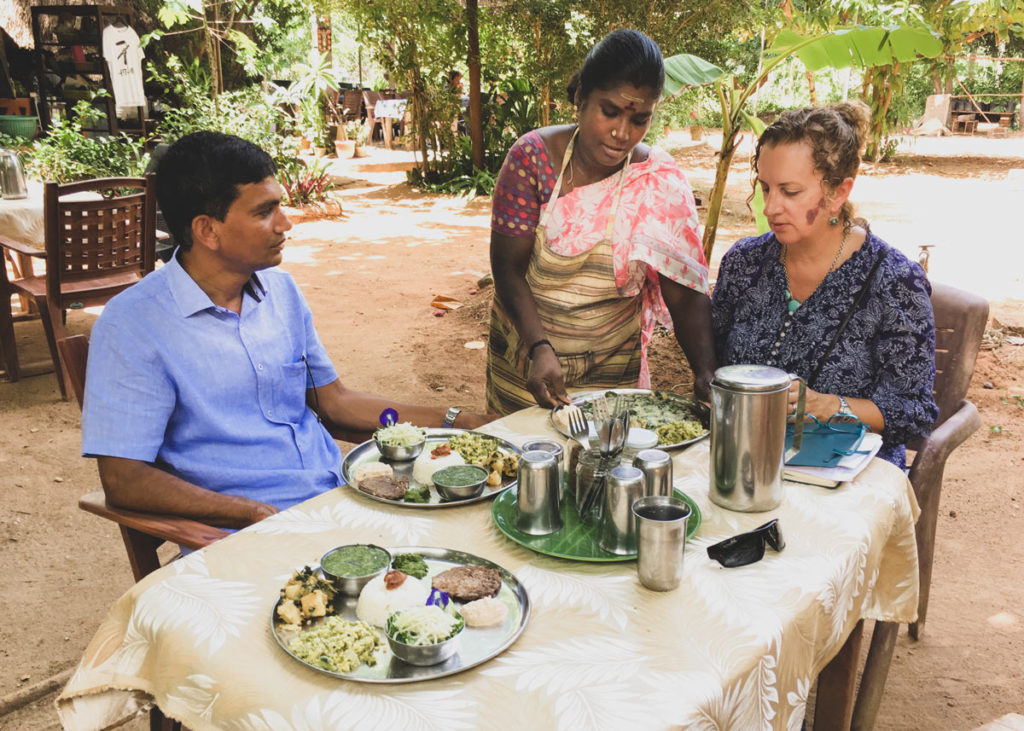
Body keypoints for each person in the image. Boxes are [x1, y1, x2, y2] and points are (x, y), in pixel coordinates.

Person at [81, 131, 488, 529]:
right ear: (207, 230)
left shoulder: (281, 292)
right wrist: (246, 513)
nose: (286, 224)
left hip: (341, 494)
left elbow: (335, 403)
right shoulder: (132, 326)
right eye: (264, 212)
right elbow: (124, 480)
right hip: (253, 532)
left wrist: (456, 420)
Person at [487, 29, 715, 415]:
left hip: (613, 379)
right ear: (581, 97)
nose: (621, 133)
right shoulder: (532, 160)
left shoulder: (657, 180)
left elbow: (684, 293)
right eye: (609, 111)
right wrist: (539, 349)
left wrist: (706, 372)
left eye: (640, 119)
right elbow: (507, 269)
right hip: (529, 367)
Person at [711, 102, 938, 467]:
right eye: (765, 188)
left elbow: (914, 412)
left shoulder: (894, 282)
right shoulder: (744, 263)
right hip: (746, 461)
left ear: (839, 193)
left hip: (847, 478)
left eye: (790, 191)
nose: (770, 208)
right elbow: (718, 363)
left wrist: (829, 405)